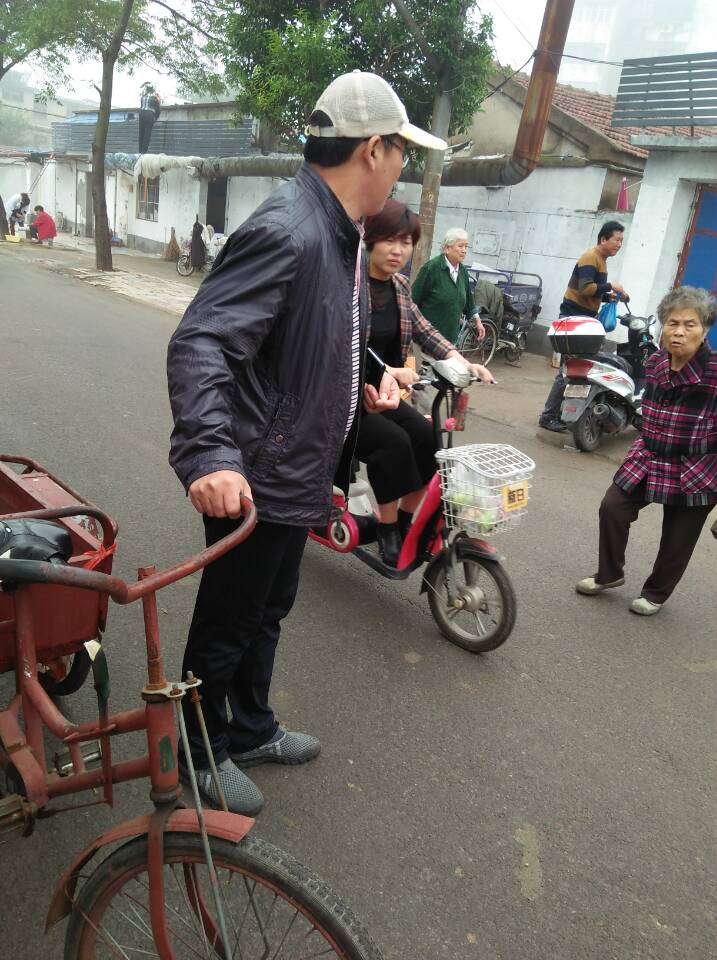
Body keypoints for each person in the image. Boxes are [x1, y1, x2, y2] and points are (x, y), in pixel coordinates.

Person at [167, 71, 446, 815]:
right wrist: (212, 456)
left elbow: (312, 343)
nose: (402, 168)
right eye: (401, 152)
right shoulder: (289, 228)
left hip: (299, 469)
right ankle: (195, 752)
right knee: (228, 621)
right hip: (256, 476)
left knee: (268, 609)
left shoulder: (341, 234)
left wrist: (365, 388)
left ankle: (250, 727)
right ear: (374, 150)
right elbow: (202, 343)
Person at [356, 200, 494, 565]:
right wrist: (388, 370)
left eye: (406, 242)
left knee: (428, 438)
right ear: (371, 239)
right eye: (389, 240)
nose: (397, 250)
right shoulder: (348, 286)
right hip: (345, 399)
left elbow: (426, 331)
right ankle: (386, 528)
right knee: (394, 442)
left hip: (385, 394)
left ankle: (404, 522)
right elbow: (344, 343)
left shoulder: (400, 286)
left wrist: (463, 361)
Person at [575, 286, 717, 616]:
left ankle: (655, 593)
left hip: (698, 467)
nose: (678, 332)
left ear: (705, 330)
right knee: (613, 507)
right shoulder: (655, 362)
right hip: (650, 455)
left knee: (677, 539)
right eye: (672, 323)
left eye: (689, 324)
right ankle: (609, 574)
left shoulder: (716, 372)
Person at [539, 220, 628, 432]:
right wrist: (611, 286)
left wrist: (607, 296)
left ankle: (563, 413)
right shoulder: (591, 257)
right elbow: (585, 288)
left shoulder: (601, 260)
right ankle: (548, 416)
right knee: (569, 370)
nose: (619, 244)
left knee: (580, 369)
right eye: (616, 240)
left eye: (621, 241)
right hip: (574, 320)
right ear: (603, 239)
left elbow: (591, 292)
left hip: (584, 320)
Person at [411, 228, 486, 344]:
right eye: (460, 246)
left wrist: (478, 321)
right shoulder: (431, 268)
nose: (464, 250)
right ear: (447, 248)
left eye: (466, 246)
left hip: (450, 339)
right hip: (427, 339)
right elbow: (412, 300)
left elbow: (469, 302)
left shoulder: (462, 271)